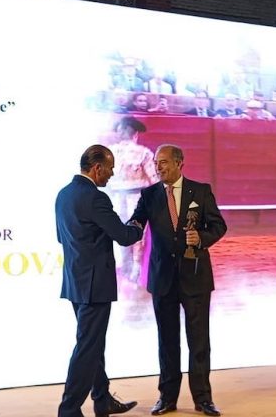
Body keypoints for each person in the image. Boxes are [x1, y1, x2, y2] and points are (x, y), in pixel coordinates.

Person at [129, 145, 227, 416]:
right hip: (163, 279)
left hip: (195, 277)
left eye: (163, 162)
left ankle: (203, 399)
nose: (158, 167)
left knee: (199, 340)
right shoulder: (149, 195)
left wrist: (203, 238)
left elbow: (219, 225)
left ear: (179, 163)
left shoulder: (201, 191)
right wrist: (124, 230)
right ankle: (167, 397)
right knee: (167, 341)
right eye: (156, 163)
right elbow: (137, 222)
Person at [56, 145, 143, 417]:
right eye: (110, 168)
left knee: (92, 343)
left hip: (75, 281)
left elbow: (61, 237)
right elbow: (124, 236)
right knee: (88, 347)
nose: (112, 173)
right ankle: (69, 409)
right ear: (97, 168)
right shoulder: (96, 198)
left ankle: (102, 398)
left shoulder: (63, 194)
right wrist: (139, 223)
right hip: (95, 285)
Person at [107, 117, 159, 283]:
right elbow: (154, 180)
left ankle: (122, 268)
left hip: (114, 199)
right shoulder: (143, 153)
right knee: (137, 234)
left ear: (119, 134)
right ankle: (135, 270)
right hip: (136, 199)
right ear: (135, 134)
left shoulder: (108, 153)